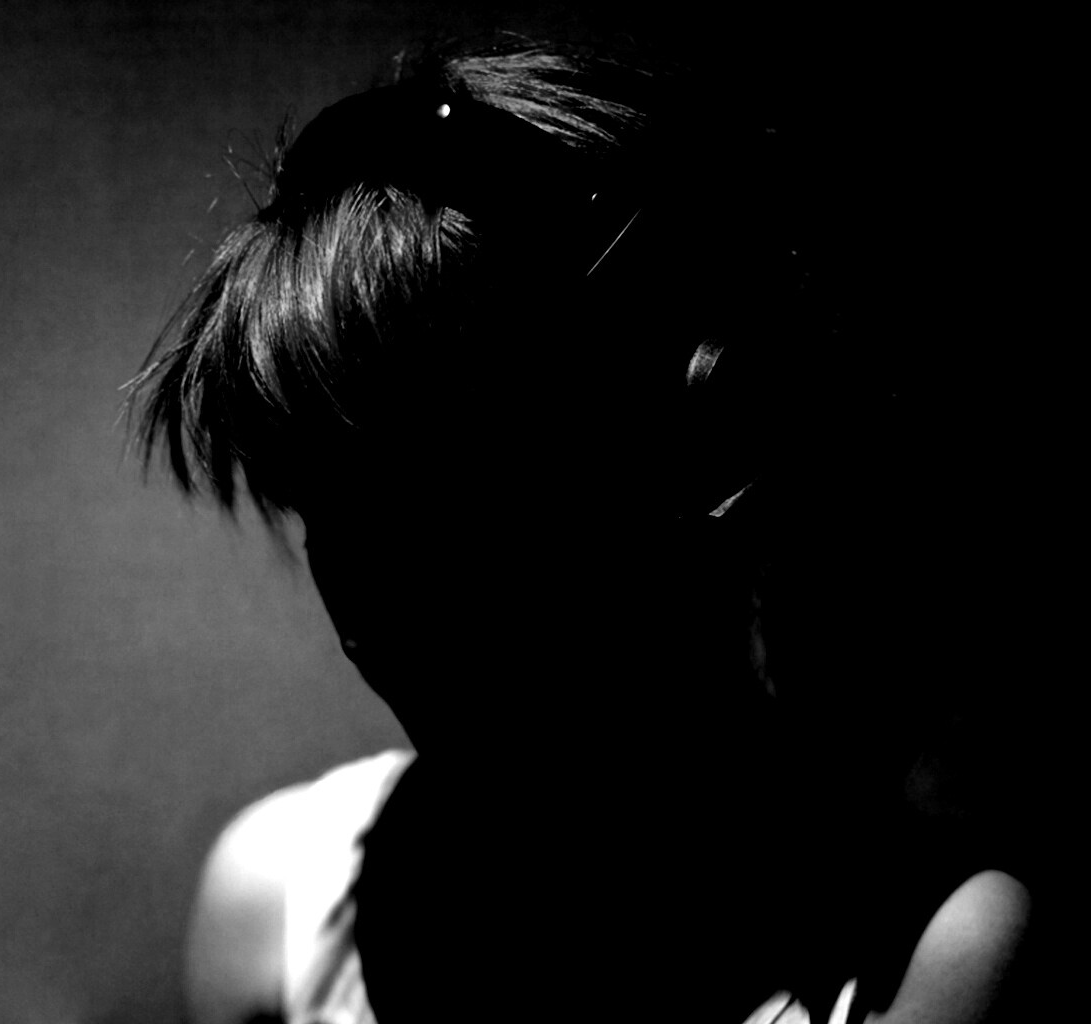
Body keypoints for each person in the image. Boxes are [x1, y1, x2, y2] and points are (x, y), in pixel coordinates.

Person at [129, 39, 1032, 1023]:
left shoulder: (936, 957)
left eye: (457, 488)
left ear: (699, 446)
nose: (373, 611)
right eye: (333, 506)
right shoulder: (275, 903)